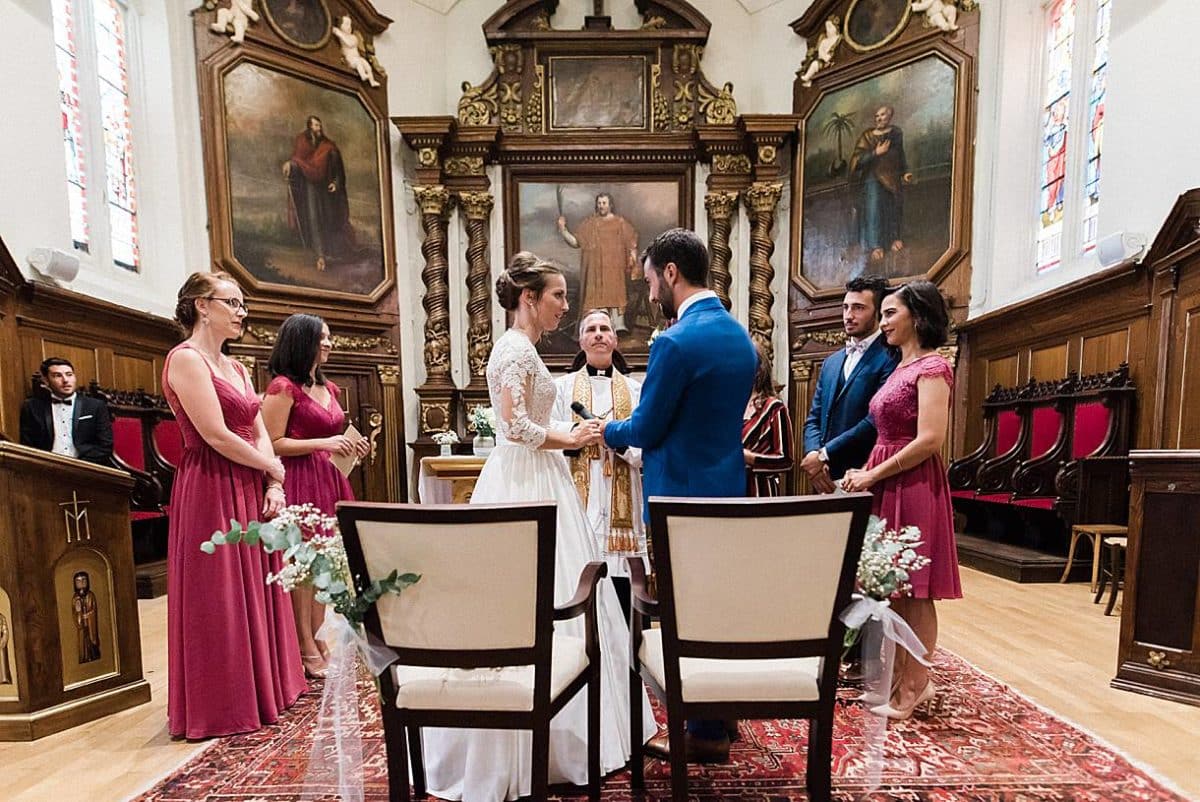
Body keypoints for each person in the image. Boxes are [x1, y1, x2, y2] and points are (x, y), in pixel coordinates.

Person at [421, 255, 655, 802]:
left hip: (542, 476)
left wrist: (571, 429)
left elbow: (530, 420)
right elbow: (514, 427)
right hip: (524, 480)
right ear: (529, 297)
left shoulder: (524, 348)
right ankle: (531, 736)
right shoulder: (513, 348)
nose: (565, 306)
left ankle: (578, 728)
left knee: (568, 580)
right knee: (531, 589)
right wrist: (573, 439)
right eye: (557, 296)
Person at [601, 228, 757, 764]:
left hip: (680, 498)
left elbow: (644, 427)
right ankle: (723, 714)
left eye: (648, 280)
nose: (647, 293)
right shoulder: (740, 337)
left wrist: (606, 430)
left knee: (686, 613)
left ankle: (705, 732)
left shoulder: (673, 341)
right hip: (726, 489)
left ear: (670, 273)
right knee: (721, 604)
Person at [162, 271, 305, 739]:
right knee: (219, 594)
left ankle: (269, 688)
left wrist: (273, 481)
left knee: (260, 582)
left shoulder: (238, 367)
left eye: (243, 303)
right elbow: (214, 434)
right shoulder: (185, 360)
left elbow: (257, 424)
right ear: (202, 306)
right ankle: (227, 701)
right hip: (210, 485)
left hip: (251, 480)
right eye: (233, 302)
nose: (241, 312)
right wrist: (272, 466)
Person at [842, 280, 962, 720]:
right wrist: (865, 472)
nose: (884, 322)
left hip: (911, 482)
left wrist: (874, 472)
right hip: (886, 477)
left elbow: (931, 438)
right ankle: (895, 678)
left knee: (916, 590)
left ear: (918, 315)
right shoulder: (899, 366)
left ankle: (917, 685)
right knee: (890, 588)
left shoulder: (932, 367)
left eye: (891, 313)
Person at [261, 314, 369, 680]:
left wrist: (352, 447)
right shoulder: (282, 388)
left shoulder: (330, 388)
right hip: (299, 480)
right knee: (303, 569)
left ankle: (319, 638)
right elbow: (271, 443)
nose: (329, 343)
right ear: (301, 341)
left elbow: (332, 437)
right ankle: (303, 646)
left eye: (330, 337)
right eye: (322, 338)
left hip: (330, 478)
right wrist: (324, 442)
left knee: (326, 567)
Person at [552, 309, 644, 622]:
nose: (599, 334)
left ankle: (626, 653)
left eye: (605, 328)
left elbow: (647, 442)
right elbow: (550, 434)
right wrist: (577, 435)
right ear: (581, 341)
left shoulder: (635, 391)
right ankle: (584, 640)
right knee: (580, 567)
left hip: (621, 490)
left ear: (615, 339)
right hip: (579, 487)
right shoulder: (562, 389)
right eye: (591, 329)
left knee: (621, 574)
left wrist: (616, 442)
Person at [801, 275, 897, 493]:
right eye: (845, 308)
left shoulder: (890, 357)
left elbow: (874, 421)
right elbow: (814, 417)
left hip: (865, 473)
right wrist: (813, 457)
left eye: (858, 308)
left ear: (878, 312)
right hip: (823, 476)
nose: (848, 316)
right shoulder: (831, 362)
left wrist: (826, 453)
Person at [557, 193, 639, 333]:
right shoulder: (590, 223)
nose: (601, 206)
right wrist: (563, 230)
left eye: (604, 203)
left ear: (610, 205)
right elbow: (576, 242)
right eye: (599, 203)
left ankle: (617, 326)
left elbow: (631, 243)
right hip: (595, 272)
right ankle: (595, 327)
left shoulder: (620, 223)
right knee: (595, 298)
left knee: (615, 295)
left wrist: (633, 257)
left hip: (614, 270)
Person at [283, 115, 355, 272]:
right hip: (310, 189)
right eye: (316, 126)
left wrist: (335, 183)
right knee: (313, 219)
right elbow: (298, 161)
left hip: (326, 191)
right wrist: (290, 164)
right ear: (309, 128)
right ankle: (319, 256)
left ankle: (329, 252)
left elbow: (338, 169)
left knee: (328, 219)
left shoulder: (329, 147)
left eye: (319, 126)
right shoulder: (302, 143)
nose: (319, 128)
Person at [850, 105, 914, 264]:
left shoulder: (896, 133)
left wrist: (905, 171)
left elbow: (900, 155)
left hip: (892, 178)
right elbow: (856, 161)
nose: (878, 118)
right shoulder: (867, 136)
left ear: (890, 116)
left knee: (893, 208)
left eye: (882, 115)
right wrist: (875, 153)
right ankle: (876, 246)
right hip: (873, 180)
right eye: (876, 116)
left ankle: (894, 239)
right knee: (875, 210)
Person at [19, 357, 113, 466]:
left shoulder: (95, 406)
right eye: (57, 376)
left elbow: (105, 445)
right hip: (46, 470)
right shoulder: (32, 407)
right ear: (45, 380)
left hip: (86, 471)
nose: (65, 380)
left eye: (69, 374)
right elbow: (28, 446)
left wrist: (79, 466)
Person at [742, 342, 795, 497]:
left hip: (760, 492)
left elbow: (786, 461)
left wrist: (749, 458)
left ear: (759, 370)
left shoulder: (774, 408)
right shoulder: (730, 405)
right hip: (728, 490)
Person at [72, 571, 101, 664]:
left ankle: (93, 656)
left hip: (90, 624)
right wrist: (79, 613)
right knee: (83, 642)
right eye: (78, 582)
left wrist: (88, 615)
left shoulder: (90, 595)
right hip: (82, 625)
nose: (81, 584)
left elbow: (93, 610)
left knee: (91, 642)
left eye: (83, 581)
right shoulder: (75, 598)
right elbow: (75, 611)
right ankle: (84, 657)